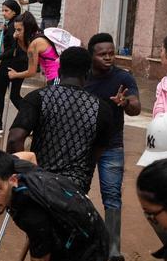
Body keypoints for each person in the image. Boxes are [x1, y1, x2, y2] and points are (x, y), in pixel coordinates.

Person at [8, 45, 114, 193]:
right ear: (88, 73)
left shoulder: (37, 98)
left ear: (59, 70)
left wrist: (23, 175)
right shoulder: (102, 109)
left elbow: (14, 139)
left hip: (39, 184)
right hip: (74, 189)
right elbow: (97, 151)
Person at [85, 32, 141, 261]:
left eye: (112, 53)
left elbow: (136, 108)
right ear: (92, 56)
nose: (109, 57)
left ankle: (113, 248)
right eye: (103, 54)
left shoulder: (123, 78)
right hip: (84, 145)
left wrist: (126, 102)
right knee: (77, 193)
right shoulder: (82, 77)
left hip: (112, 146)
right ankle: (82, 240)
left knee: (112, 197)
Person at [0, 0, 28, 125]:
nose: (3, 13)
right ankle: (31, 117)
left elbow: (13, 49)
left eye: (6, 10)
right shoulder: (15, 23)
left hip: (11, 62)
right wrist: (6, 28)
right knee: (14, 96)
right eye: (2, 10)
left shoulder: (15, 25)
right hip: (21, 62)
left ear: (14, 12)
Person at [5, 11, 58, 87]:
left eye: (19, 30)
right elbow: (28, 51)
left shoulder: (34, 44)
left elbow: (31, 72)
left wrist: (15, 75)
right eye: (15, 29)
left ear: (28, 28)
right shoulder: (38, 34)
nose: (16, 33)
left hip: (56, 77)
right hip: (57, 75)